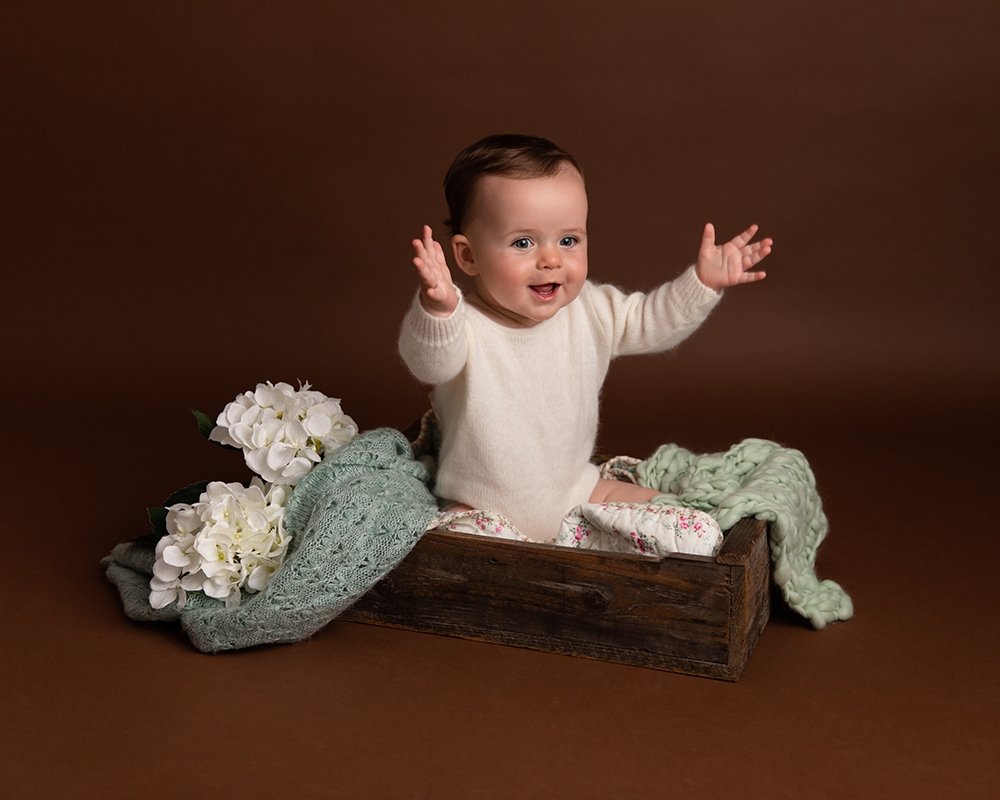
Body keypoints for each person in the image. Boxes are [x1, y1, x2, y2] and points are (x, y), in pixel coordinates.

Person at [398, 134, 772, 542]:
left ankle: (592, 544)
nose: (551, 259)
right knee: (464, 549)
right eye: (523, 243)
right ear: (468, 256)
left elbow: (652, 321)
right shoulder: (464, 326)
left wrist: (701, 282)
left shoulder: (590, 309)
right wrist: (437, 308)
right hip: (482, 509)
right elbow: (430, 362)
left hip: (580, 494)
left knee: (687, 526)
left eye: (568, 240)